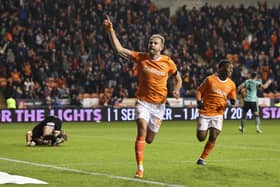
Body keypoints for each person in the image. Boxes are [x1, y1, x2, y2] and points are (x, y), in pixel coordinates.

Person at [104, 15, 182, 178]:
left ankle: (143, 149)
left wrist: (177, 88)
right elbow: (119, 49)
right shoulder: (141, 57)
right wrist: (111, 30)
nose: (151, 45)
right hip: (143, 103)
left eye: (155, 43)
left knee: (149, 139)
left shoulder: (168, 62)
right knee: (141, 131)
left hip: (159, 106)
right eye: (150, 42)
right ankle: (140, 168)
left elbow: (178, 77)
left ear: (161, 47)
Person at [196, 60, 237, 165]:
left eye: (232, 69)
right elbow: (199, 91)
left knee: (213, 136)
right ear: (221, 68)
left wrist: (233, 101)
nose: (230, 70)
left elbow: (233, 96)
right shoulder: (210, 80)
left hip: (218, 114)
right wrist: (199, 101)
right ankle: (205, 127)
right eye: (229, 68)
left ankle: (202, 159)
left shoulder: (231, 84)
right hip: (205, 112)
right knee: (201, 138)